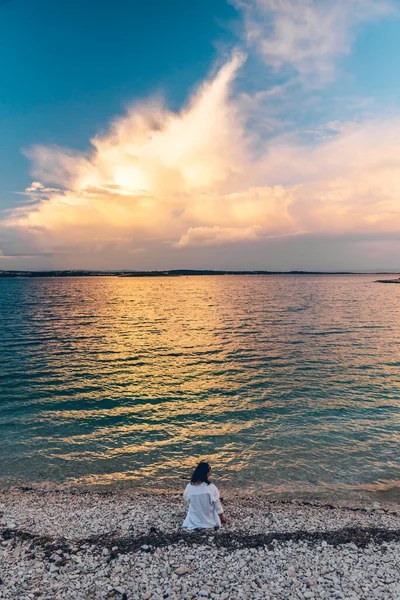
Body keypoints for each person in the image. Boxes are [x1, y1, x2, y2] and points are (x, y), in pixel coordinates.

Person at [182, 461, 228, 530]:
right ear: (206, 473)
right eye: (209, 470)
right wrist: (222, 518)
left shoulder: (189, 487)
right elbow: (218, 507)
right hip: (210, 522)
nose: (210, 472)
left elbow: (186, 498)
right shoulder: (211, 487)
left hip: (194, 521)